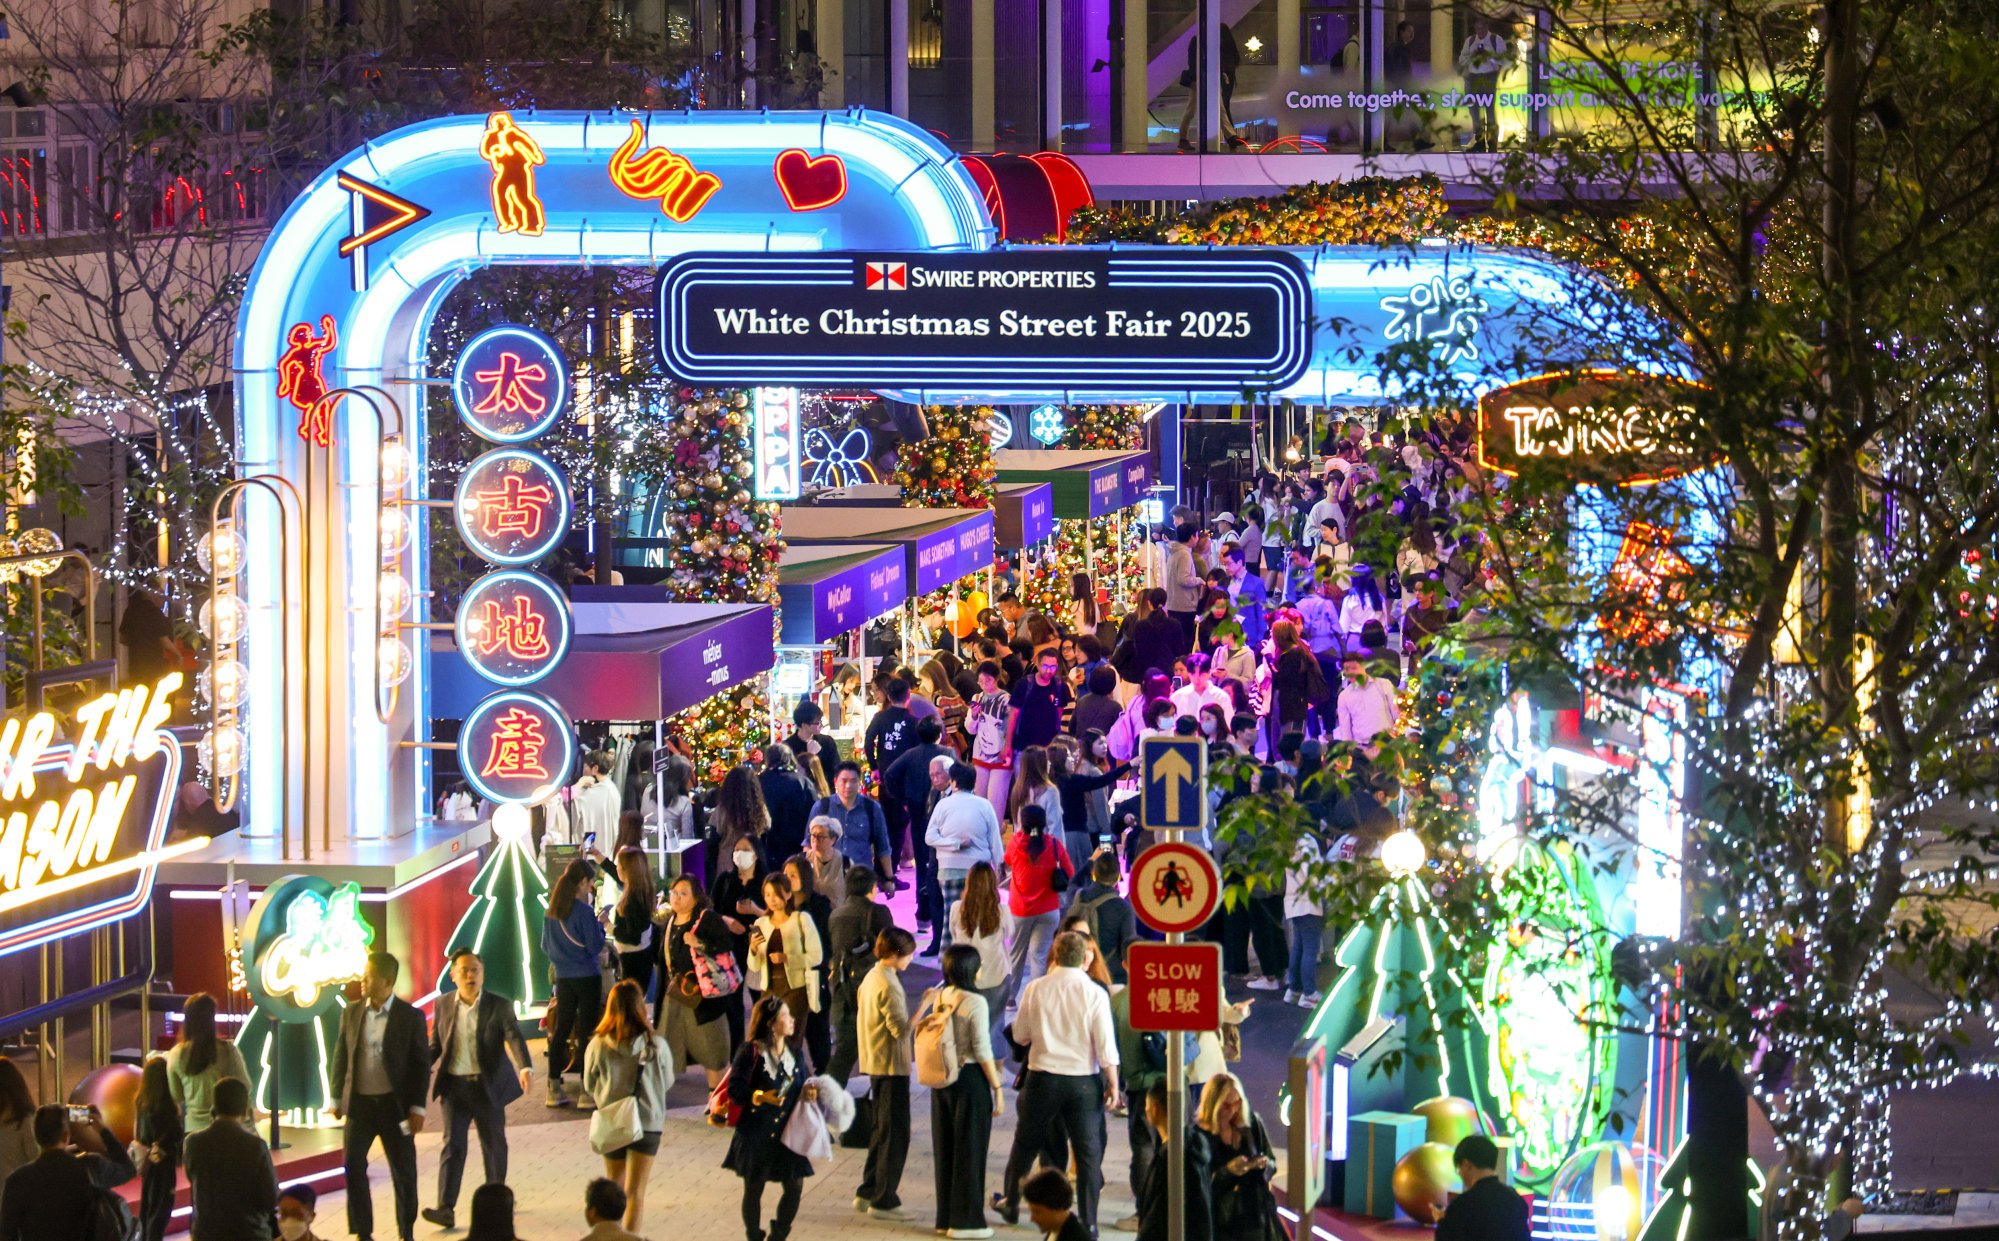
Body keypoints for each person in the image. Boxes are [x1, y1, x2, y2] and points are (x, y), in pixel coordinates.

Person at [994, 932, 1120, 1235]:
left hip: (1042, 1078)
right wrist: (1113, 1084)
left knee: (1025, 1144)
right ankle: (1089, 1221)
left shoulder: (1036, 988)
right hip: (1082, 1082)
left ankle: (1011, 1202)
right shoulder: (1094, 993)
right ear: (1084, 958)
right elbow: (1105, 1045)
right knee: (1087, 1154)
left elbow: (1020, 1034)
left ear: (1056, 954)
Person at [423, 950, 533, 1229]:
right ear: (453, 975)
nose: (470, 975)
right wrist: (418, 1068)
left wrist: (525, 1067)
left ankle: (497, 1202)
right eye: (464, 971)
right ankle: (445, 1208)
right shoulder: (443, 1004)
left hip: (487, 1087)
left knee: (494, 1145)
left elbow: (514, 1036)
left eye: (475, 970)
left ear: (482, 973)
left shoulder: (499, 1005)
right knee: (453, 1146)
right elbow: (436, 1045)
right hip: (454, 1088)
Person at [330, 952, 427, 1241]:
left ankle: (406, 1231)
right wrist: (336, 1097)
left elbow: (420, 1065)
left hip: (395, 1107)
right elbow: (341, 1055)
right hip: (360, 1106)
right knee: (353, 1166)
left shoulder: (410, 1017)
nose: (362, 979)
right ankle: (363, 1232)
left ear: (386, 981)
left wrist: (417, 1107)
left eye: (369, 975)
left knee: (404, 1171)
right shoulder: (351, 1012)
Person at [724, 995, 819, 1241]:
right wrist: (759, 1096)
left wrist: (809, 1092)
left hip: (787, 1132)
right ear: (771, 1024)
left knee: (795, 1185)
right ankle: (754, 1235)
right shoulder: (750, 1052)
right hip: (756, 1132)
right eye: (785, 1016)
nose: (792, 1020)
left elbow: (803, 1081)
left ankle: (779, 1234)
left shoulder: (794, 1052)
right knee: (754, 1188)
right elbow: (735, 1089)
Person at [583, 979, 674, 1234]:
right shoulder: (656, 1045)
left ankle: (609, 1237)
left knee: (614, 1188)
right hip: (648, 1123)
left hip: (612, 1120)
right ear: (640, 1007)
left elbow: (589, 1084)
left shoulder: (598, 1044)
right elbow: (667, 1082)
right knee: (636, 1193)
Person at [930, 944, 1005, 1239]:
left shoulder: (941, 996)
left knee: (946, 1149)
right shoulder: (975, 1001)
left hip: (942, 1079)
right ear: (971, 969)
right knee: (970, 1151)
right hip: (970, 1079)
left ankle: (945, 1217)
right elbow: (982, 1049)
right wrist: (996, 1087)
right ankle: (966, 1222)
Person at [0, 1103, 135, 1241]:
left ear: (36, 1137)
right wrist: (102, 1130)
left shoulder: (16, 1181)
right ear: (66, 1137)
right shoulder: (92, 1167)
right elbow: (128, 1170)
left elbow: (7, 1234)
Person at [855, 926, 917, 1220]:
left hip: (875, 1062)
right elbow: (901, 1030)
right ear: (895, 954)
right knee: (894, 1134)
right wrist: (925, 1006)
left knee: (880, 1131)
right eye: (908, 953)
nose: (911, 958)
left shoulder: (871, 976)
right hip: (891, 1066)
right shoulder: (889, 984)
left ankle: (868, 1191)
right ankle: (884, 1200)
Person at [540, 859, 608, 1108]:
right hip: (587, 975)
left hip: (563, 977)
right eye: (590, 882)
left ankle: (553, 1088)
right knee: (588, 1030)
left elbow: (544, 946)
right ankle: (586, 1091)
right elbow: (595, 946)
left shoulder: (552, 911)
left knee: (562, 1029)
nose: (591, 887)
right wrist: (600, 926)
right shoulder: (583, 912)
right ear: (582, 882)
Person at [658, 875, 734, 1089]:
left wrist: (699, 943)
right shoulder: (670, 922)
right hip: (676, 996)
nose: (676, 897)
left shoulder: (707, 918)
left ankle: (716, 1096)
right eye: (674, 893)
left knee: (712, 1049)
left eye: (683, 893)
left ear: (696, 897)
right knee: (668, 1047)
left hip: (704, 999)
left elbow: (726, 944)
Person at [184, 1077, 277, 1241]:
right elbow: (270, 1198)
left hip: (206, 1233)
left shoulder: (193, 1142)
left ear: (214, 1107)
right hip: (249, 1233)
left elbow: (193, 1178)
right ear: (244, 1109)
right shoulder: (255, 1146)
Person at [926, 761, 1006, 952]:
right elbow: (995, 840)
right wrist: (1000, 867)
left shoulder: (943, 805)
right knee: (980, 918)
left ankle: (949, 957)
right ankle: (981, 955)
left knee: (951, 918)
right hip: (980, 871)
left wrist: (953, 844)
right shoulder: (984, 805)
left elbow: (929, 837)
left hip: (948, 869)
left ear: (953, 781)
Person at [826, 865, 896, 1087]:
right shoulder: (879, 913)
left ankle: (829, 1091)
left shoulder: (836, 915)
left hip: (843, 985)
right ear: (872, 887)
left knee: (845, 1049)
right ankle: (879, 1094)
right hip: (872, 985)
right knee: (878, 1044)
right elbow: (891, 948)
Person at [885, 718, 954, 935]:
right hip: (944, 817)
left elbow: (889, 774)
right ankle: (943, 911)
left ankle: (923, 913)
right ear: (939, 734)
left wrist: (903, 798)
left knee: (923, 865)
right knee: (944, 862)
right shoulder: (948, 754)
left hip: (918, 815)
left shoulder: (910, 755)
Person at [1196, 1073, 1282, 1240]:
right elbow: (1199, 1187)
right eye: (1226, 1105)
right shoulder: (1200, 1136)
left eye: (1237, 1103)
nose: (1233, 1110)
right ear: (1213, 1105)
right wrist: (1228, 1171)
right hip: (1222, 1222)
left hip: (1255, 1216)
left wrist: (1264, 1165)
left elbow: (1272, 1164)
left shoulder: (1252, 1124)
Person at [1002, 804, 1074, 1006]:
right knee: (1039, 956)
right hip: (1048, 910)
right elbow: (1070, 872)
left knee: (1016, 955)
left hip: (1020, 911)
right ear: (1044, 823)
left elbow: (1007, 860)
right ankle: (1037, 1000)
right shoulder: (1054, 845)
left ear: (1022, 823)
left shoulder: (1016, 843)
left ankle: (1010, 999)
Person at [1136, 1082, 1214, 1241]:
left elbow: (1157, 1217)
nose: (1145, 1109)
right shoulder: (1194, 1143)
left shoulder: (1172, 1158)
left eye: (1147, 1105)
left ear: (1155, 1109)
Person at [749, 872, 825, 1033]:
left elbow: (816, 956)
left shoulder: (801, 919)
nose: (772, 899)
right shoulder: (761, 923)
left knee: (791, 1037)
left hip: (795, 990)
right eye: (767, 895)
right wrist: (753, 949)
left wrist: (787, 958)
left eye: (776, 894)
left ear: (789, 894)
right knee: (769, 1037)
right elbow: (754, 967)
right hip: (769, 989)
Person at [168, 992, 252, 1134]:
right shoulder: (228, 1050)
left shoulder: (176, 1054)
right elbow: (245, 1086)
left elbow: (176, 1095)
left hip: (193, 1129)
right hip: (227, 1128)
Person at [782, 856, 836, 1072]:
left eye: (793, 875)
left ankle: (824, 1077)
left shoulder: (819, 905)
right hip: (787, 981)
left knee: (817, 1033)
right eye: (785, 875)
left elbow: (824, 945)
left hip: (813, 977)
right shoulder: (780, 906)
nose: (787, 879)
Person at [1434, 1135, 1529, 1241]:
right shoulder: (1515, 1199)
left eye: (1459, 1168)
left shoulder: (1462, 1204)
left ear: (1466, 1165)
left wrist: (1442, 1221)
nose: (1460, 1173)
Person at [811, 763, 894, 883]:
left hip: (861, 877)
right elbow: (808, 844)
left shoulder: (871, 808)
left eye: (853, 781)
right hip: (828, 878)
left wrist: (889, 878)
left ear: (859, 782)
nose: (848, 786)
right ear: (835, 782)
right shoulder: (822, 807)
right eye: (844, 781)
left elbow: (883, 846)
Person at [131, 1055, 180, 1241]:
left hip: (147, 1161)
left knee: (147, 1206)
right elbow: (175, 1135)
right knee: (160, 1210)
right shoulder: (166, 1107)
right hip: (163, 1162)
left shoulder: (142, 1102)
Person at [1068, 852, 1138, 984]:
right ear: (1118, 877)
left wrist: (1090, 861)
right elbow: (1128, 947)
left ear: (1094, 874)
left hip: (1082, 974)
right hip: (1113, 977)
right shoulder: (1124, 908)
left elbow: (1073, 882)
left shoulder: (1078, 897)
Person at [1007, 650, 1072, 776]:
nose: (1049, 671)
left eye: (1053, 667)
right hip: (1023, 747)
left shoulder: (1060, 687)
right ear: (1037, 664)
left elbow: (1059, 714)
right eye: (1045, 666)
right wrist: (1008, 745)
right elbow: (1013, 715)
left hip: (1048, 748)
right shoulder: (1024, 685)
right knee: (1023, 783)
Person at [966, 661, 1015, 819]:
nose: (984, 685)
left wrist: (1007, 748)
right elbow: (970, 729)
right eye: (980, 681)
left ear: (997, 678)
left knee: (996, 801)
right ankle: (980, 830)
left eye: (988, 680)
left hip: (1001, 755)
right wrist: (974, 715)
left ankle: (995, 831)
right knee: (978, 800)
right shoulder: (977, 698)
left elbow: (1010, 728)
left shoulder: (1006, 700)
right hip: (980, 753)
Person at [1456, 13, 1509, 152]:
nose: (1479, 31)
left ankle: (1492, 142)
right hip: (1472, 77)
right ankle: (1479, 141)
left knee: (1489, 110)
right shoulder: (1470, 41)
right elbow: (1462, 59)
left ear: (1487, 26)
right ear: (1474, 27)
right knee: (1474, 111)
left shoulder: (1495, 40)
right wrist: (1473, 56)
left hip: (1489, 76)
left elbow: (1504, 59)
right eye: (1477, 28)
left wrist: (1488, 56)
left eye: (1482, 28)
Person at [1284, 834, 1325, 1006]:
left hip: (1293, 901)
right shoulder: (1306, 841)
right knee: (1310, 949)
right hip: (1308, 902)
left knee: (1299, 947)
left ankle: (1294, 989)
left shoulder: (1288, 841)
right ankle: (1309, 993)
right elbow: (1312, 873)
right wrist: (1325, 885)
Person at [759, 745, 815, 863]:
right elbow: (813, 813)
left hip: (766, 845)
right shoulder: (803, 782)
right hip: (796, 845)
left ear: (768, 759)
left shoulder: (759, 781)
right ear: (789, 758)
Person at [1334, 654, 1400, 751]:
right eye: (1347, 670)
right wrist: (1348, 751)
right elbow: (1345, 729)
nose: (1351, 672)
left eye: (1354, 668)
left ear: (1364, 666)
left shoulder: (1384, 684)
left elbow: (1397, 714)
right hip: (1362, 748)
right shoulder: (1344, 696)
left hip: (1387, 743)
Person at [571, 750, 622, 851]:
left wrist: (579, 785)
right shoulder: (613, 789)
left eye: (585, 766)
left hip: (590, 851)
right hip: (609, 850)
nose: (583, 770)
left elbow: (574, 822)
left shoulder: (587, 794)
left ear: (595, 768)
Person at [1021, 1167, 1091, 1241]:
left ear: (1058, 1207)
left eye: (1037, 1212)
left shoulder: (1075, 1237)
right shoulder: (1057, 1229)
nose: (1032, 1218)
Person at [1220, 547, 1269, 649]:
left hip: (1250, 637)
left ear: (1239, 562)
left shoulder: (1256, 583)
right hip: (1228, 637)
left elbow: (1262, 613)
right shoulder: (1225, 582)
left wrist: (1260, 639)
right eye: (1224, 564)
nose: (1226, 568)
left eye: (1228, 564)